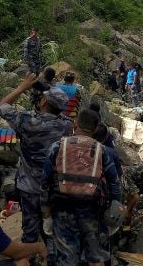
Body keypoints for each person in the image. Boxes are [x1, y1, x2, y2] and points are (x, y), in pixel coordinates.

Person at [0, 73, 73, 250]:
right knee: (52, 230)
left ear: (43, 102)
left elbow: (2, 105)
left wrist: (21, 87)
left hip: (29, 187)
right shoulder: (68, 126)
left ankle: (31, 256)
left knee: (30, 231)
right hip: (54, 188)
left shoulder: (26, 121)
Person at [40, 109, 122, 266]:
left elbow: (45, 183)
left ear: (75, 123)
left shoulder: (57, 147)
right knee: (96, 258)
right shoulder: (102, 151)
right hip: (93, 212)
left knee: (66, 258)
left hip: (62, 212)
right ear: (96, 128)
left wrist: (46, 215)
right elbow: (114, 183)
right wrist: (115, 211)